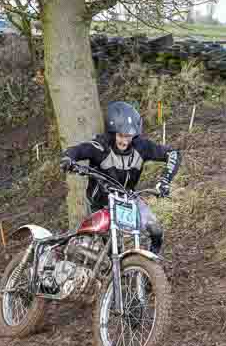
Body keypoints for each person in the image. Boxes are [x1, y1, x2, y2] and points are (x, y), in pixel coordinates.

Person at [59, 101, 181, 255]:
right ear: (112, 132)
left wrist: (165, 181)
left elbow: (173, 154)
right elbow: (78, 150)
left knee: (155, 230)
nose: (124, 141)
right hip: (102, 203)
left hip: (128, 198)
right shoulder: (101, 146)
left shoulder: (141, 146)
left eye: (129, 136)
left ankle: (151, 268)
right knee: (109, 248)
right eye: (121, 135)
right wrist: (68, 160)